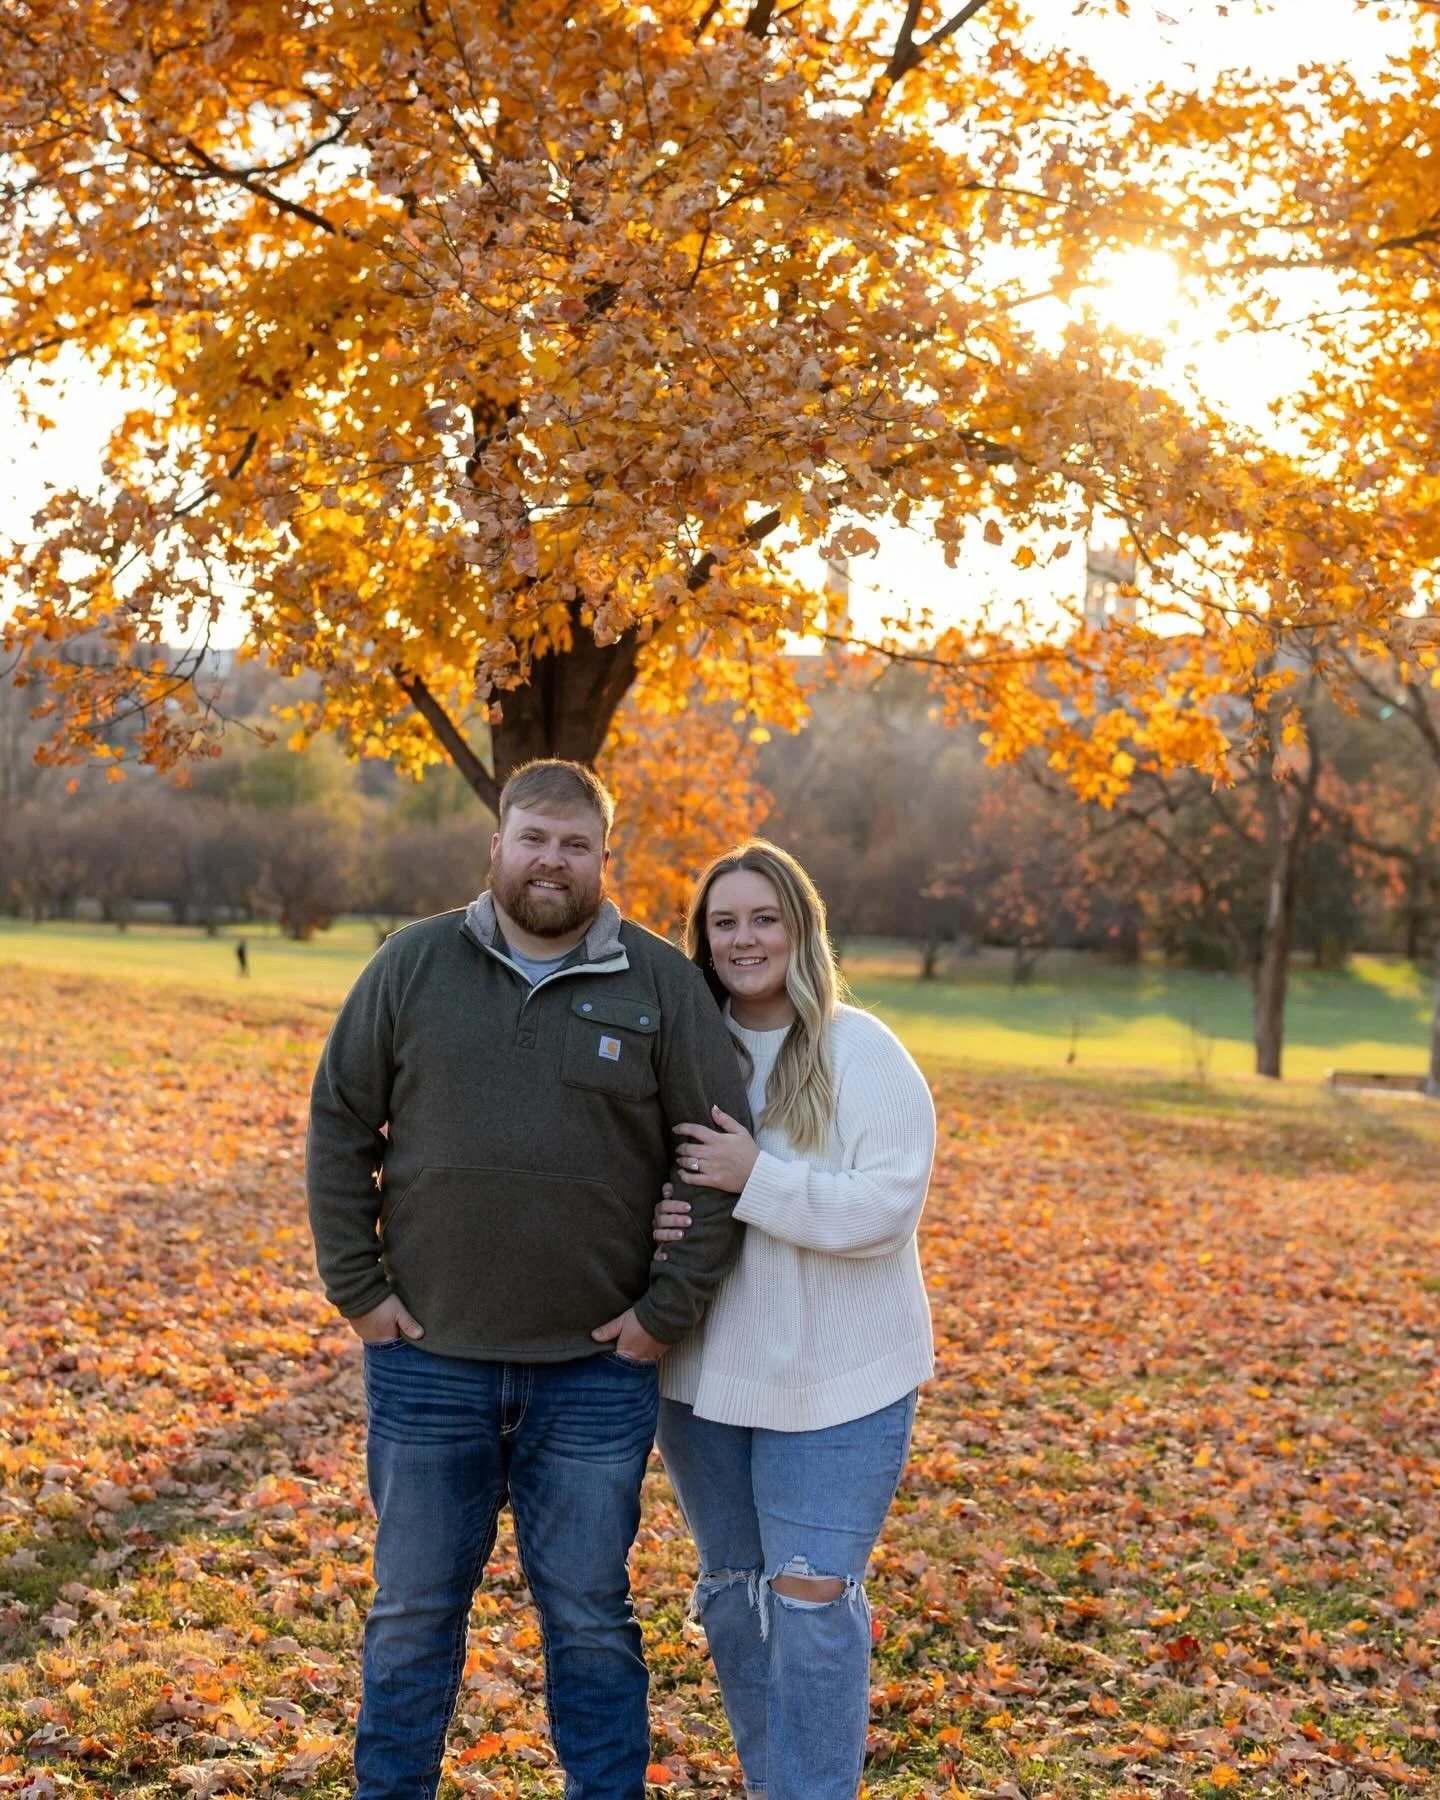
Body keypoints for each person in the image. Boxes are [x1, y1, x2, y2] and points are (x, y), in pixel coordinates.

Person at [305, 760, 751, 1800]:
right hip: (428, 1364)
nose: (552, 860)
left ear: (606, 858)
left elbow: (721, 1154)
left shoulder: (659, 983)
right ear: (498, 845)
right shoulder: (411, 965)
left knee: (591, 1617)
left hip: (593, 1375)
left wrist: (662, 1314)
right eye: (534, 839)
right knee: (412, 1613)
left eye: (576, 844)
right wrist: (358, 1293)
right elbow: (338, 1124)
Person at [651, 841, 936, 1800]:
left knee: (810, 1602)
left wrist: (753, 1179)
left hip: (841, 1384)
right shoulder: (687, 1051)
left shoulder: (864, 1051)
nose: (744, 939)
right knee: (735, 1602)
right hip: (706, 1382)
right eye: (724, 921)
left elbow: (884, 1210)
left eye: (764, 918)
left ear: (801, 929)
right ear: (703, 938)